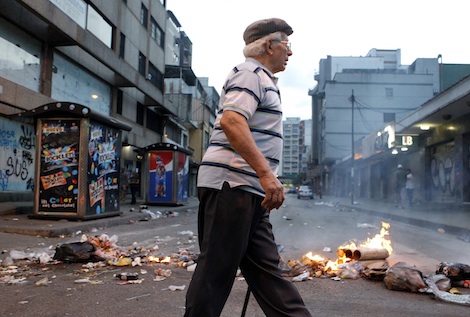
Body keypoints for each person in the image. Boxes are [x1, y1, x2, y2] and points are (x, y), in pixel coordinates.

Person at [184, 18, 312, 317]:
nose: (290, 53)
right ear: (269, 45)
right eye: (287, 45)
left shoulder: (263, 79)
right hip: (232, 184)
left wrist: (263, 180)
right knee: (216, 269)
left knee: (267, 272)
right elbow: (232, 121)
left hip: (249, 189)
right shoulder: (249, 73)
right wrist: (266, 174)